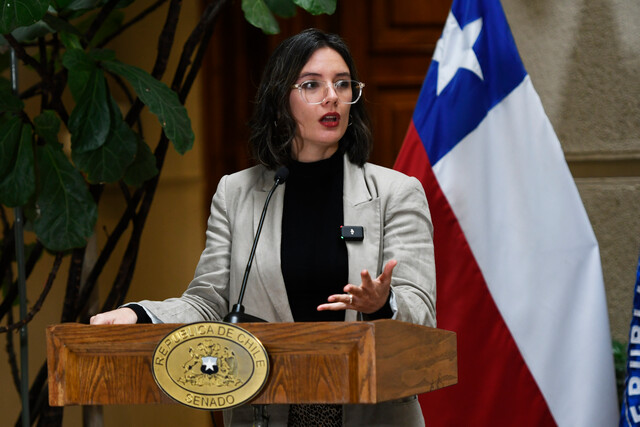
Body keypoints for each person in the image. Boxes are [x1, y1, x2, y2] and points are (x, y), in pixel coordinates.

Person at [91, 28, 436, 426]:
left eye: (343, 84)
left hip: (371, 414)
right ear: (279, 102)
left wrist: (383, 305)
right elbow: (209, 302)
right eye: (312, 84)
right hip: (267, 413)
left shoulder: (395, 192)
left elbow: (422, 313)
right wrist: (141, 314)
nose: (332, 97)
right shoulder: (236, 193)